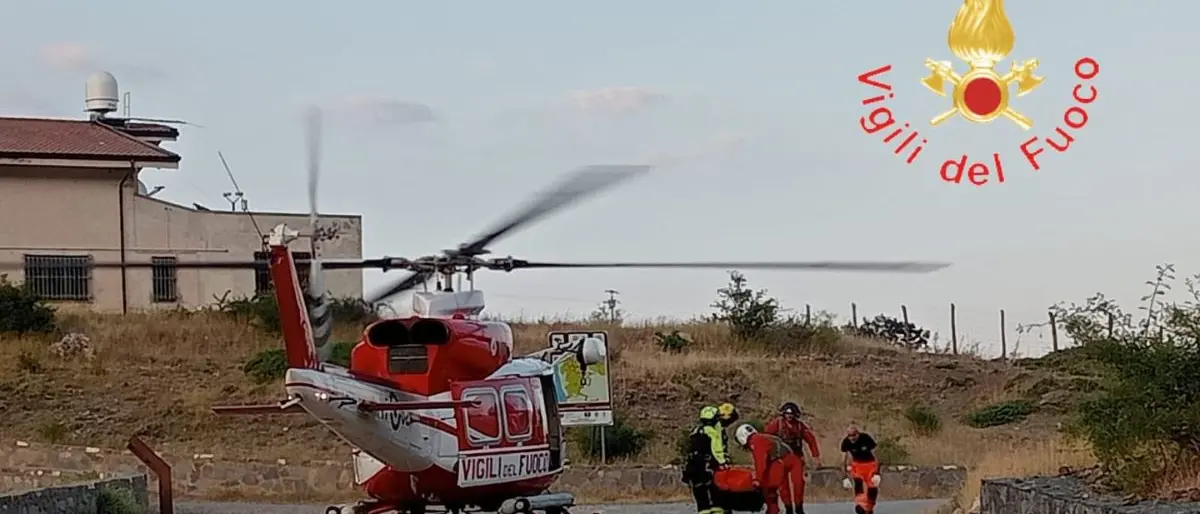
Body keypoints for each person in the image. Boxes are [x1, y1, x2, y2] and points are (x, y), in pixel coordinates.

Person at [763, 402, 821, 514]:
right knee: (783, 485)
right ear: (783, 414)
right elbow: (765, 437)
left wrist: (816, 456)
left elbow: (811, 440)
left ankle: (799, 508)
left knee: (798, 483)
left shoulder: (800, 426)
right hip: (780, 459)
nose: (789, 416)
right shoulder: (777, 424)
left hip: (796, 458)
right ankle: (788, 508)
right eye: (787, 414)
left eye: (792, 414)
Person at [734, 424, 802, 514]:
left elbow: (760, 462)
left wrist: (758, 479)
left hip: (780, 461)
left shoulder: (754, 441)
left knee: (769, 488)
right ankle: (792, 509)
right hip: (791, 459)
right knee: (786, 486)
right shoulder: (764, 436)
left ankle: (773, 510)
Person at [683, 406, 730, 514]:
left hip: (694, 469)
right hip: (709, 468)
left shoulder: (696, 431)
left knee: (702, 501)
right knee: (717, 499)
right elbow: (716, 450)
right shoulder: (713, 432)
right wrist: (723, 463)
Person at [840, 424, 880, 514]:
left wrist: (877, 472)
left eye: (854, 436)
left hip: (870, 464)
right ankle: (860, 505)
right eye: (850, 436)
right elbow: (843, 460)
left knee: (872, 488)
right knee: (858, 484)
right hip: (857, 465)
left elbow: (876, 455)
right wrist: (844, 477)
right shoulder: (846, 442)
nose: (852, 439)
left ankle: (869, 507)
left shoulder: (866, 438)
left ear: (857, 434)